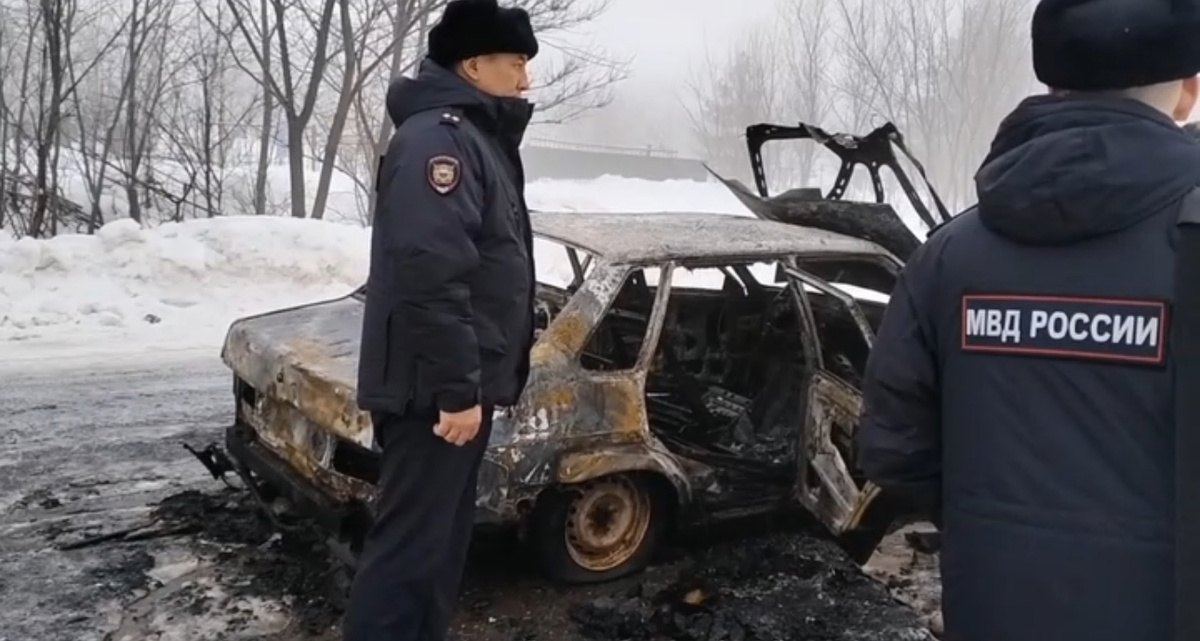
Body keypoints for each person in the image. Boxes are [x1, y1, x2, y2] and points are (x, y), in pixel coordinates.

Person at [855, 1, 1200, 640]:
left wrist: (993, 524)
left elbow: (892, 448)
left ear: (1051, 83)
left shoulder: (949, 255)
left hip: (993, 608)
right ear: (1188, 92)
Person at [345, 0, 537, 638]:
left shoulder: (471, 137)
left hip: (453, 390)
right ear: (475, 64)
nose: (526, 80)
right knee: (409, 556)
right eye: (517, 64)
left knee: (436, 551)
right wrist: (458, 390)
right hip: (434, 394)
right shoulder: (441, 140)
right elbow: (432, 274)